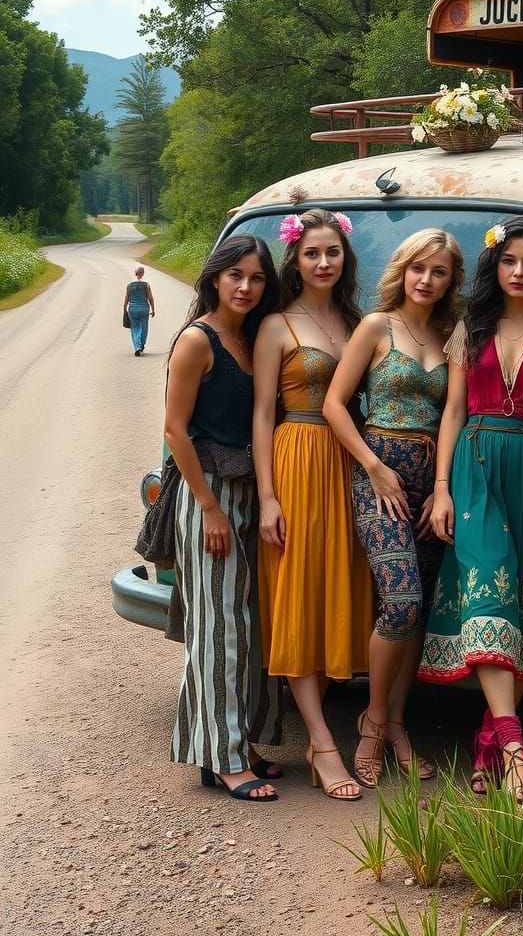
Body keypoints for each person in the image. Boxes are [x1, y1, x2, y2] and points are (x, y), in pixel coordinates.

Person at [419, 215, 523, 804]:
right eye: (509, 261)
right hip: (476, 465)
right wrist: (441, 488)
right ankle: (515, 750)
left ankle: (487, 740)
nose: (519, 271)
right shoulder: (470, 328)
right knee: (488, 590)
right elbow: (454, 411)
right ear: (495, 265)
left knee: (521, 598)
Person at [323, 228, 463, 789]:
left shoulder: (453, 336)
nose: (426, 281)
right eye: (418, 269)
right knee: (400, 601)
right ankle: (373, 723)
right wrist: (374, 467)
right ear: (402, 271)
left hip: (431, 481)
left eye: (440, 272)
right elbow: (335, 404)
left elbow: (454, 413)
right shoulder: (376, 326)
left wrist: (444, 485)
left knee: (421, 610)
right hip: (378, 472)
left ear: (452, 280)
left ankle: (398, 722)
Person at [253, 208, 373, 802]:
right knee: (300, 591)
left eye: (333, 253)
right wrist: (269, 496)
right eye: (312, 254)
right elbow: (261, 414)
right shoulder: (277, 324)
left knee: (339, 590)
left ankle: (336, 721)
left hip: (350, 463)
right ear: (295, 260)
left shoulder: (358, 320)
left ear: (345, 258)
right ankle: (322, 742)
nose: (324, 263)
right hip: (297, 458)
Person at [165, 233, 285, 802]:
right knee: (218, 628)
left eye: (257, 278)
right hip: (208, 492)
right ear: (214, 276)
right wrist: (209, 509)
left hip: (250, 488)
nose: (245, 287)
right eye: (235, 275)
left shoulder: (251, 336)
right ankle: (221, 757)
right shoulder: (198, 341)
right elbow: (174, 430)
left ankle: (243, 742)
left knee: (252, 624)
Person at [124, 265, 155, 355]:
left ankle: (137, 347)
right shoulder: (146, 285)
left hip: (132, 309)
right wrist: (153, 309)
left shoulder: (129, 285)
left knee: (134, 328)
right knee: (144, 328)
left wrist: (124, 308)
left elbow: (127, 297)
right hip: (144, 309)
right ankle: (141, 345)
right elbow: (151, 298)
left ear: (135, 273)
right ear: (143, 274)